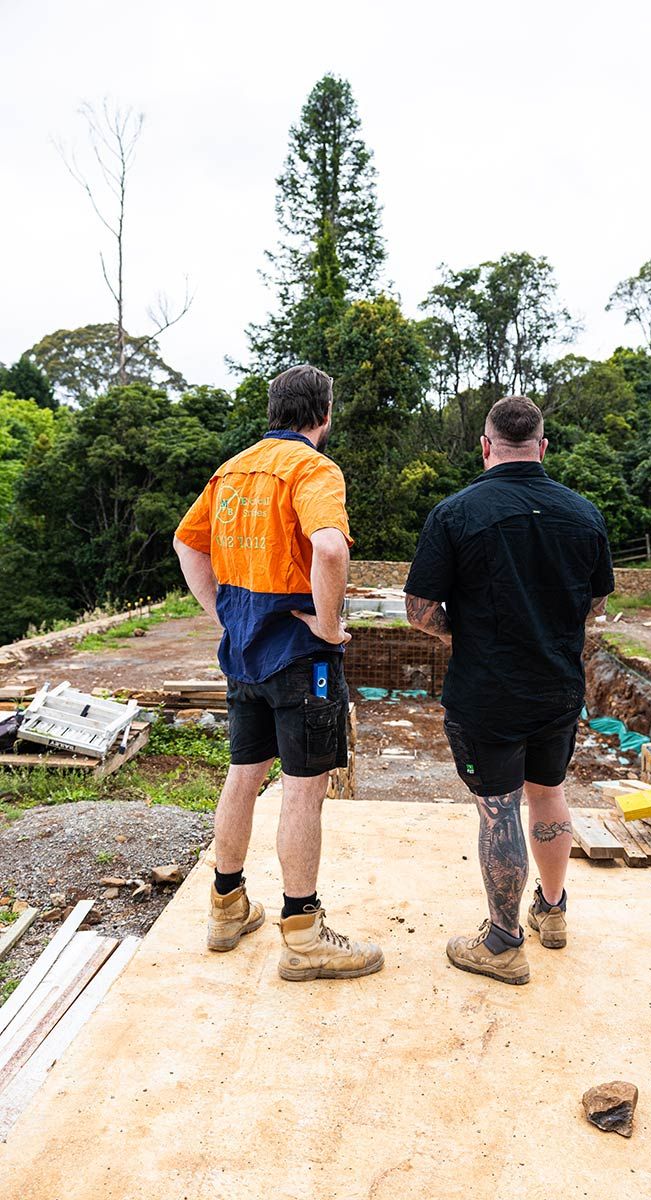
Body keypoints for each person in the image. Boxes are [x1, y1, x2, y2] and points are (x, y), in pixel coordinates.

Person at [174, 364, 383, 982]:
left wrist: (222, 612)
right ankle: (304, 933)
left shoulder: (232, 470)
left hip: (245, 656)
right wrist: (325, 621)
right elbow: (329, 547)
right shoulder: (313, 469)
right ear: (324, 413)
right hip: (302, 660)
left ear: (273, 411)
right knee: (303, 786)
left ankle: (226, 906)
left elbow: (188, 544)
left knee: (243, 775)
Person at [404, 395, 614, 986]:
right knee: (548, 793)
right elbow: (595, 602)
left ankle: (501, 942)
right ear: (543, 446)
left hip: (487, 692)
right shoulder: (584, 513)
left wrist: (464, 630)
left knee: (499, 808)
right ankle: (552, 909)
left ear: (486, 446)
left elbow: (420, 610)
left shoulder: (456, 513)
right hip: (556, 688)